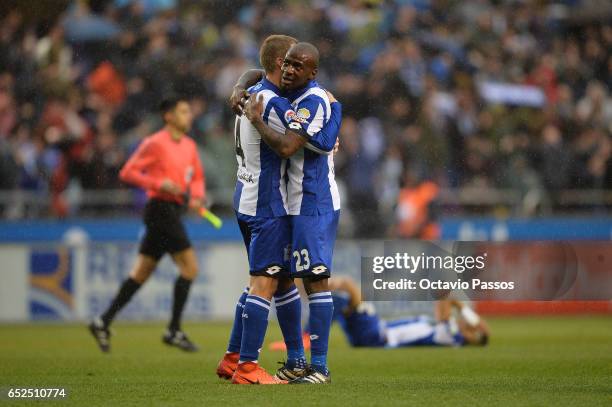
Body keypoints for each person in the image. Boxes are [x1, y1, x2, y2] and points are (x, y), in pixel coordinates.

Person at [216, 36, 342, 385]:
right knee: (265, 281)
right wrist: (334, 114)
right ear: (278, 63)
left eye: (296, 64)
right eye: (286, 62)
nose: (289, 68)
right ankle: (247, 367)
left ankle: (238, 358)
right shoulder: (269, 101)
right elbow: (292, 143)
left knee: (279, 279)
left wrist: (239, 83)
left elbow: (257, 75)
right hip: (268, 203)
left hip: (247, 195)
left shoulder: (253, 89)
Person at [88, 97, 205, 353]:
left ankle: (103, 321)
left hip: (173, 209)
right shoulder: (154, 143)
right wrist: (158, 183)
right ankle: (173, 329)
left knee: (141, 272)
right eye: (184, 111)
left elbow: (196, 178)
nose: (190, 116)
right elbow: (127, 172)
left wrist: (196, 197)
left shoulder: (190, 146)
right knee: (190, 267)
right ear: (169, 116)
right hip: (160, 209)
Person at [270, 276, 490, 350]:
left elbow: (445, 297)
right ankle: (307, 331)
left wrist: (466, 312)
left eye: (470, 329)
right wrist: (471, 320)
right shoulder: (446, 331)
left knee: (347, 288)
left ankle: (306, 334)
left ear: (470, 337)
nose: (466, 325)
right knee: (341, 300)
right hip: (375, 331)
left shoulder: (449, 336)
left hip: (377, 335)